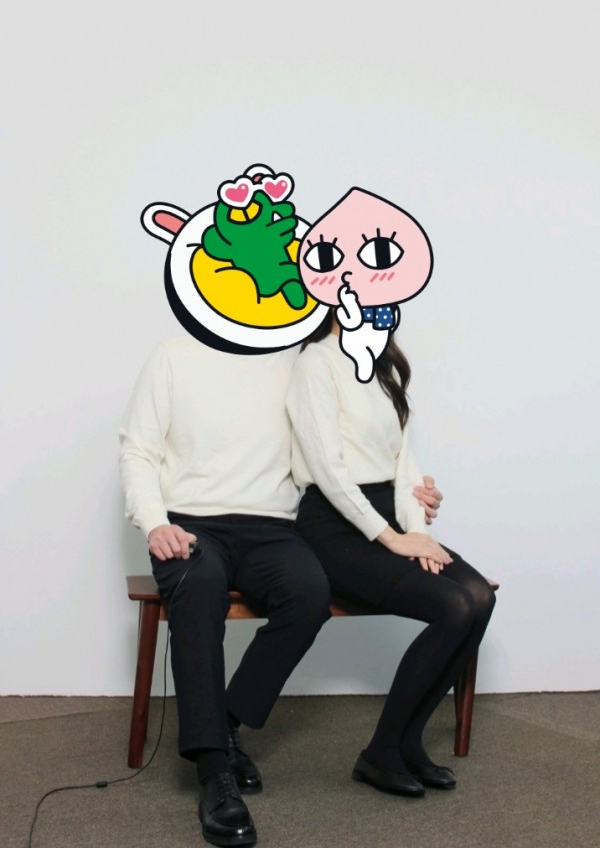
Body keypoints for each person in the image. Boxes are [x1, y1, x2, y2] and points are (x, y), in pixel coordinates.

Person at [119, 335, 443, 845]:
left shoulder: (299, 361)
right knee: (199, 590)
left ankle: (226, 721)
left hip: (271, 525)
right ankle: (214, 774)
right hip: (188, 521)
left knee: (309, 594)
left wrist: (407, 491)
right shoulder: (173, 355)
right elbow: (138, 448)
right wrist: (155, 522)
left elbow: (344, 441)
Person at [286, 314, 496, 797]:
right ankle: (380, 752)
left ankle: (407, 742)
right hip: (333, 524)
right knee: (454, 605)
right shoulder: (315, 363)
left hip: (387, 516)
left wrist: (416, 532)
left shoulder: (381, 364)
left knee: (480, 597)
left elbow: (404, 465)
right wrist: (392, 538)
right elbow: (328, 470)